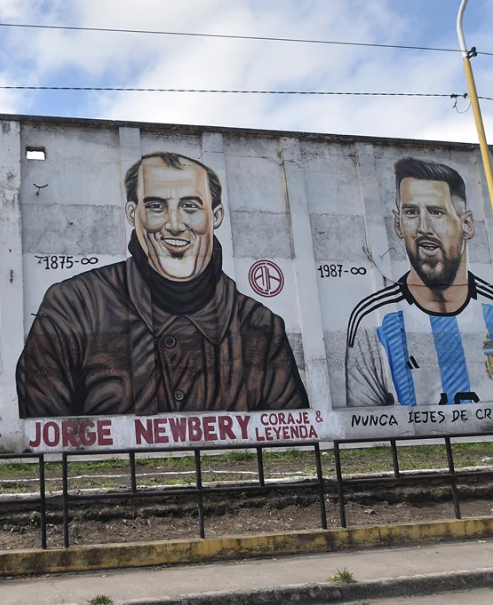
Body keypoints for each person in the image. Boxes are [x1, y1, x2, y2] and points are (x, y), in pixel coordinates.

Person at [17, 151, 308, 417]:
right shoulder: (73, 306)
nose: (174, 224)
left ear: (215, 217)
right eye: (156, 206)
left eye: (190, 206)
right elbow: (45, 438)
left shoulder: (261, 326)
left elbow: (291, 437)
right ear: (133, 214)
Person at [345, 157, 493, 407]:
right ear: (397, 224)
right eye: (411, 212)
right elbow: (368, 428)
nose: (423, 227)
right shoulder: (373, 322)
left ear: (467, 224)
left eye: (436, 212)